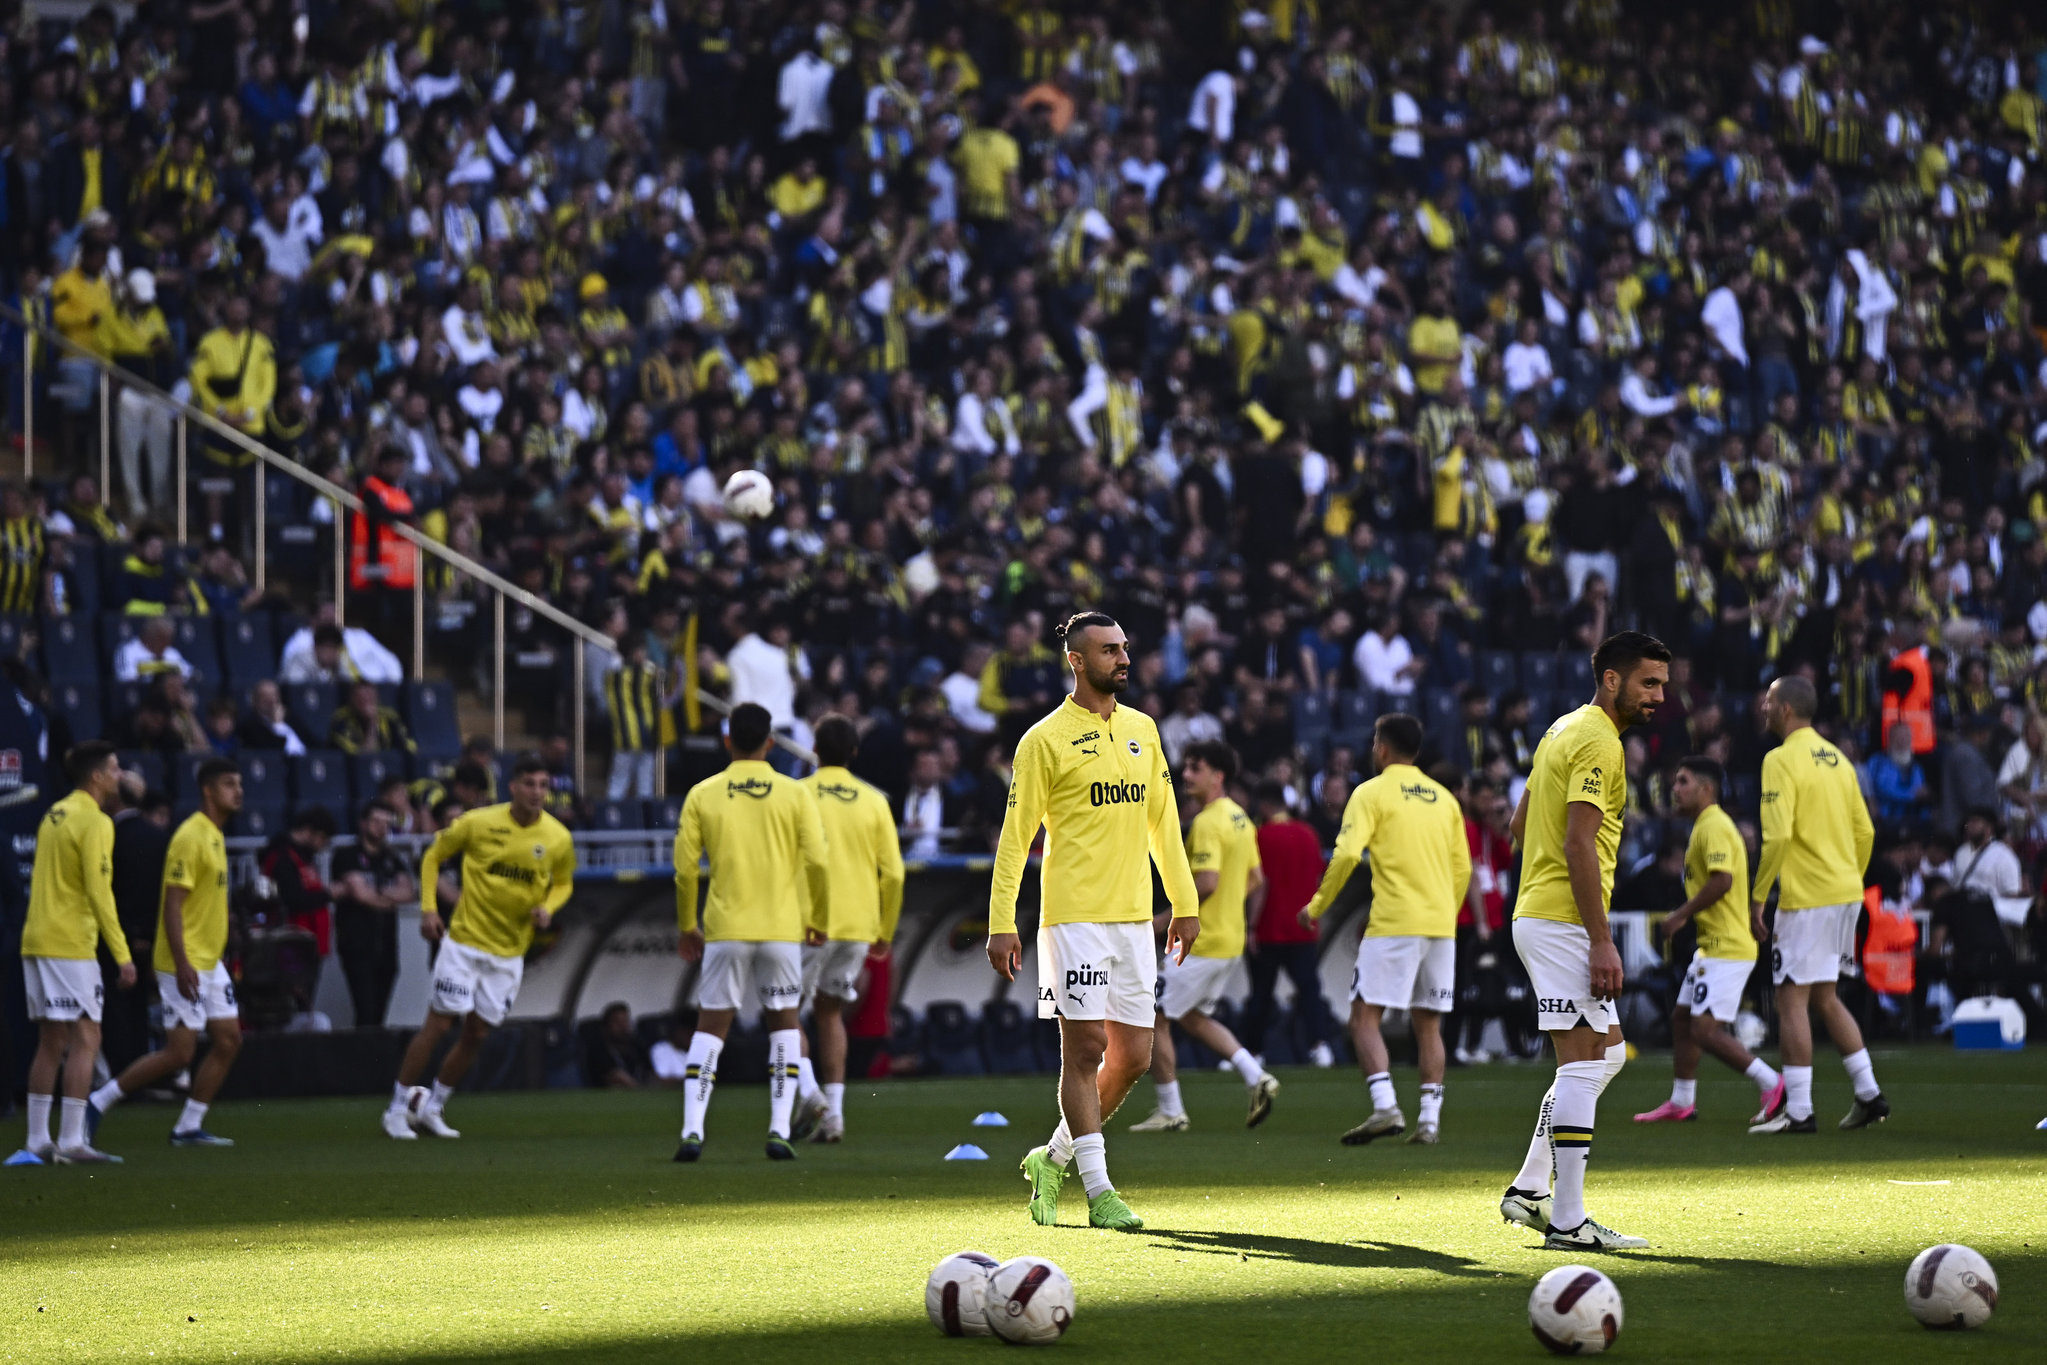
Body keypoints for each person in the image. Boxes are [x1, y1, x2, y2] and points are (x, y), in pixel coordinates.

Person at [987, 612, 1200, 1232]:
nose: (1123, 659)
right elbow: (1013, 840)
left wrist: (1183, 903)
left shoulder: (1144, 729)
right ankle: (1101, 1191)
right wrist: (1003, 921)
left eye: (1125, 648)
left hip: (1134, 919)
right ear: (1077, 661)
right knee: (1084, 1050)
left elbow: (1164, 823)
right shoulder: (1043, 741)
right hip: (1073, 919)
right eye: (1110, 651)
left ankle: (1049, 1158)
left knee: (1133, 1055)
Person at [1500, 631, 1671, 1252]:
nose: (1658, 696)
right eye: (1648, 683)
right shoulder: (1600, 742)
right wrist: (1601, 941)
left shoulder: (1561, 728)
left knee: (1606, 1057)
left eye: (1663, 686)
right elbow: (1577, 843)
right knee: (1581, 1064)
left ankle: (1528, 1188)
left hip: (1544, 914)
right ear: (1611, 679)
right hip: (1566, 921)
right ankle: (1568, 1222)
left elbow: (1517, 821)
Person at [379, 755, 575, 1140]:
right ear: (513, 787)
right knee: (439, 1024)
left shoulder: (557, 838)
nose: (537, 793)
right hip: (465, 943)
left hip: (509, 953)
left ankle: (433, 1108)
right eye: (530, 784)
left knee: (478, 1035)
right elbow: (433, 855)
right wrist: (429, 909)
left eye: (543, 785)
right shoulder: (478, 823)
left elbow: (565, 882)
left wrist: (547, 908)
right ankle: (396, 1109)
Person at [1300, 714, 1470, 1145]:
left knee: (1363, 1017)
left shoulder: (1371, 792)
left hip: (1394, 922)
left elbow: (1346, 856)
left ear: (1381, 748)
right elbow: (1463, 868)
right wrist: (1444, 913)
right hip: (1439, 926)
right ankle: (1430, 1120)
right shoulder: (1444, 799)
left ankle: (1385, 1107)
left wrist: (1317, 905)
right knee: (1428, 1025)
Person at [671, 702, 830, 1161]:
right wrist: (817, 919)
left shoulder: (703, 793)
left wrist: (687, 926)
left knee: (710, 1028)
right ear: (769, 742)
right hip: (781, 928)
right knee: (784, 1024)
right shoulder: (794, 794)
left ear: (726, 741)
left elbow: (684, 870)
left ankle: (692, 1131)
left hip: (725, 928)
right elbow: (817, 862)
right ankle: (778, 1130)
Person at [1747, 675, 1887, 1135]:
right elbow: (1865, 832)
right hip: (1845, 892)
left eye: (1769, 702)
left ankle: (1801, 1112)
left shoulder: (1780, 760)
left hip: (1806, 898)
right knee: (1825, 996)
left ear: (1786, 709)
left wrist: (1759, 895)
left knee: (1791, 1000)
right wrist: (1850, 877)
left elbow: (1779, 835)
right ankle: (1868, 1094)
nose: (1763, 709)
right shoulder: (1840, 760)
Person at [88, 758, 245, 1148]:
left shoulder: (214, 834)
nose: (238, 791)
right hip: (184, 960)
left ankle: (189, 1126)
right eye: (229, 784)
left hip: (209, 960)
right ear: (208, 790)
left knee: (228, 1041)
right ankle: (99, 1101)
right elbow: (171, 906)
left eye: (239, 783)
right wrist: (183, 962)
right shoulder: (190, 836)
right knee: (179, 1053)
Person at [1129, 741, 1277, 1133]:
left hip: (1202, 943)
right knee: (1192, 1017)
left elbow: (1208, 883)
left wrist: (1163, 921)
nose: (1187, 775)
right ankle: (1256, 1076)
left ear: (1218, 775)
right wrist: (1229, 907)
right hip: (1228, 941)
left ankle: (1171, 1110)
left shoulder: (1210, 821)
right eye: (1187, 768)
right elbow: (1255, 880)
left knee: (1154, 1015)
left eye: (1196, 768)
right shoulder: (1241, 818)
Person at [1633, 757, 1785, 1126]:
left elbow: (1722, 881)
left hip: (1727, 947)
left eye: (1683, 782)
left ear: (1706, 788)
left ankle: (1773, 1084)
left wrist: (1680, 914)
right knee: (1682, 1019)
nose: (1675, 789)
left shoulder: (1713, 826)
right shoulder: (1706, 826)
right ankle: (1682, 1101)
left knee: (1704, 1029)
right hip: (1714, 945)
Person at [11, 743, 131, 1165]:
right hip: (69, 944)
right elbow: (99, 892)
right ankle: (72, 1142)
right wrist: (122, 954)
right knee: (86, 1038)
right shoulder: (96, 821)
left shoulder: (54, 813)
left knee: (51, 1041)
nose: (120, 775)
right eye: (115, 768)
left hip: (36, 937)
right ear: (97, 777)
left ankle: (36, 1142)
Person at [798, 713, 905, 1143]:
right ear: (855, 753)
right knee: (829, 1012)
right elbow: (894, 874)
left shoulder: (797, 795)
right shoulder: (874, 800)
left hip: (807, 924)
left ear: (815, 750)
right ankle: (836, 1115)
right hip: (859, 925)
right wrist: (885, 931)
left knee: (786, 1015)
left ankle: (812, 1096)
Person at [1242, 781, 1336, 1065]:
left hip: (1270, 929)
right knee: (1310, 991)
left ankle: (1254, 1053)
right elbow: (1320, 879)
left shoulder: (1261, 836)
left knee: (1261, 994)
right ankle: (1321, 1047)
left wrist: (1250, 927)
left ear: (1265, 806)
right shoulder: (1309, 834)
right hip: (1303, 928)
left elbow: (1261, 885)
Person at [332, 801, 415, 1030]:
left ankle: (373, 1059)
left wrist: (376, 894)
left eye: (387, 823)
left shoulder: (391, 856)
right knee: (365, 1010)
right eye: (376, 821)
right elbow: (360, 894)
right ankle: (363, 1061)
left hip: (387, 944)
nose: (382, 827)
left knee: (379, 1013)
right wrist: (388, 896)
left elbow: (408, 891)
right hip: (357, 943)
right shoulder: (347, 855)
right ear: (363, 823)